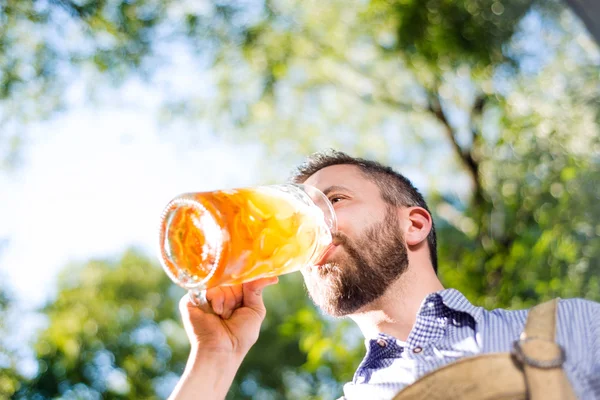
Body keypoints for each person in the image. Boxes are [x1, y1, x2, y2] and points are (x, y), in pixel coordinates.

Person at [168, 150, 600, 400]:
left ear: (413, 225)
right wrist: (215, 358)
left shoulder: (574, 327)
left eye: (334, 200)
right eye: (301, 211)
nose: (313, 225)